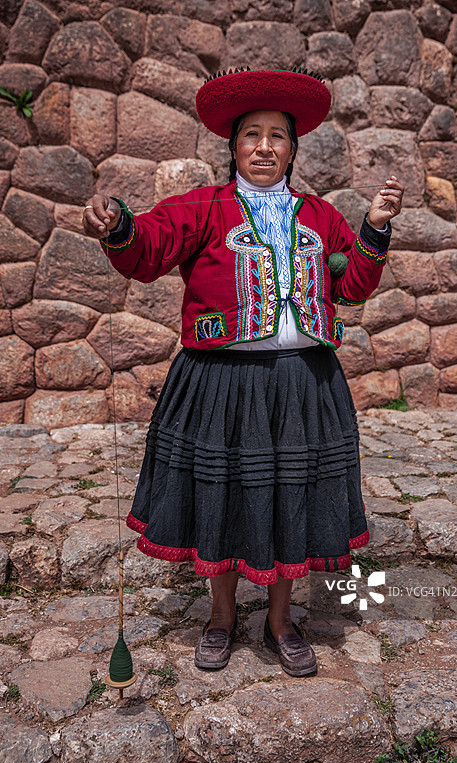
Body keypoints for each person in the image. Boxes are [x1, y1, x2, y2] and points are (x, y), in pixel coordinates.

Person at [83, 67, 404, 678]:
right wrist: (119, 224)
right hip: (220, 385)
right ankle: (221, 617)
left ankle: (281, 620)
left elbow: (354, 285)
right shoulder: (201, 209)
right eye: (251, 135)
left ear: (292, 148)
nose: (264, 147)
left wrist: (375, 228)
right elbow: (145, 251)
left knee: (291, 499)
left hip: (303, 384)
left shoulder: (318, 216)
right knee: (224, 496)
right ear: (232, 146)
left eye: (277, 136)